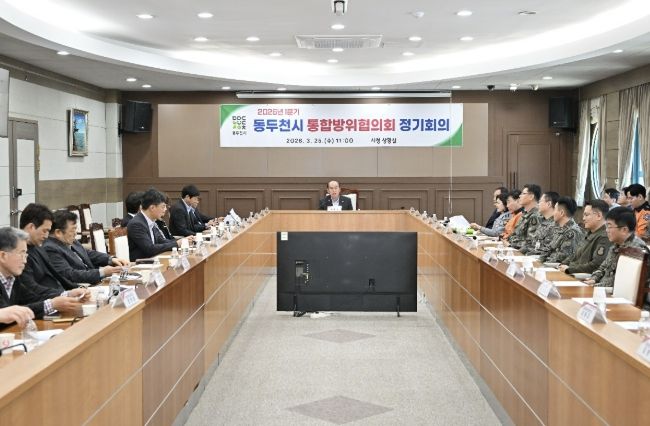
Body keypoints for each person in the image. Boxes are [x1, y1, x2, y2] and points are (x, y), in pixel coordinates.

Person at [0, 227, 89, 319]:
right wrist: (52, 304)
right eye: (21, 254)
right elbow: (7, 312)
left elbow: (32, 299)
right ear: (3, 256)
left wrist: (68, 294)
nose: (25, 261)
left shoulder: (12, 278)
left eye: (25, 254)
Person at [44, 210, 129, 285]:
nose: (76, 233)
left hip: (94, 282)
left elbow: (87, 253)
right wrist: (102, 272)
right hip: (80, 288)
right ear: (58, 233)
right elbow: (70, 274)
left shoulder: (70, 240)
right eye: (73, 229)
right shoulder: (50, 249)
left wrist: (111, 259)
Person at [586, 207, 649, 288]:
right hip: (603, 289)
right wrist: (594, 279)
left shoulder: (636, 251)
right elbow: (603, 268)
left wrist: (594, 286)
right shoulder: (615, 246)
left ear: (624, 230)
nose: (607, 230)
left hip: (616, 293)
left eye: (609, 226)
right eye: (606, 226)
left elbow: (621, 284)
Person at [19, 203, 76, 291]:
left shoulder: (38, 247)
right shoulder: (19, 255)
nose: (46, 236)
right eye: (44, 231)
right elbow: (31, 289)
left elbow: (56, 276)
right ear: (31, 227)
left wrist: (77, 288)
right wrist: (64, 295)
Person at [127, 188, 184, 261]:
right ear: (152, 207)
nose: (165, 209)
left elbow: (161, 241)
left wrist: (181, 241)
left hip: (153, 260)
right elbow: (150, 249)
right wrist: (176, 244)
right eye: (163, 206)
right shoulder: (137, 224)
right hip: (141, 263)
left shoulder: (150, 221)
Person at [559, 200, 611, 274]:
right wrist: (562, 265)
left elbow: (596, 265)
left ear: (599, 216)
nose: (583, 218)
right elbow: (574, 256)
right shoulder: (589, 233)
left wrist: (570, 269)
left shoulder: (604, 237)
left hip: (582, 277)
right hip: (572, 272)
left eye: (586, 215)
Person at [538, 196, 583, 263]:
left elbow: (563, 257)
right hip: (549, 265)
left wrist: (545, 262)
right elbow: (547, 249)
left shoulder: (572, 232)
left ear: (561, 213)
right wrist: (540, 260)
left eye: (555, 210)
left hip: (558, 267)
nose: (553, 213)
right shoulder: (559, 228)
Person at [507, 184, 542, 249]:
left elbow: (531, 243)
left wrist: (511, 243)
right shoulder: (524, 214)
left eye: (523, 194)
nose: (520, 196)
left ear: (531, 197)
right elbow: (514, 234)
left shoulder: (536, 216)